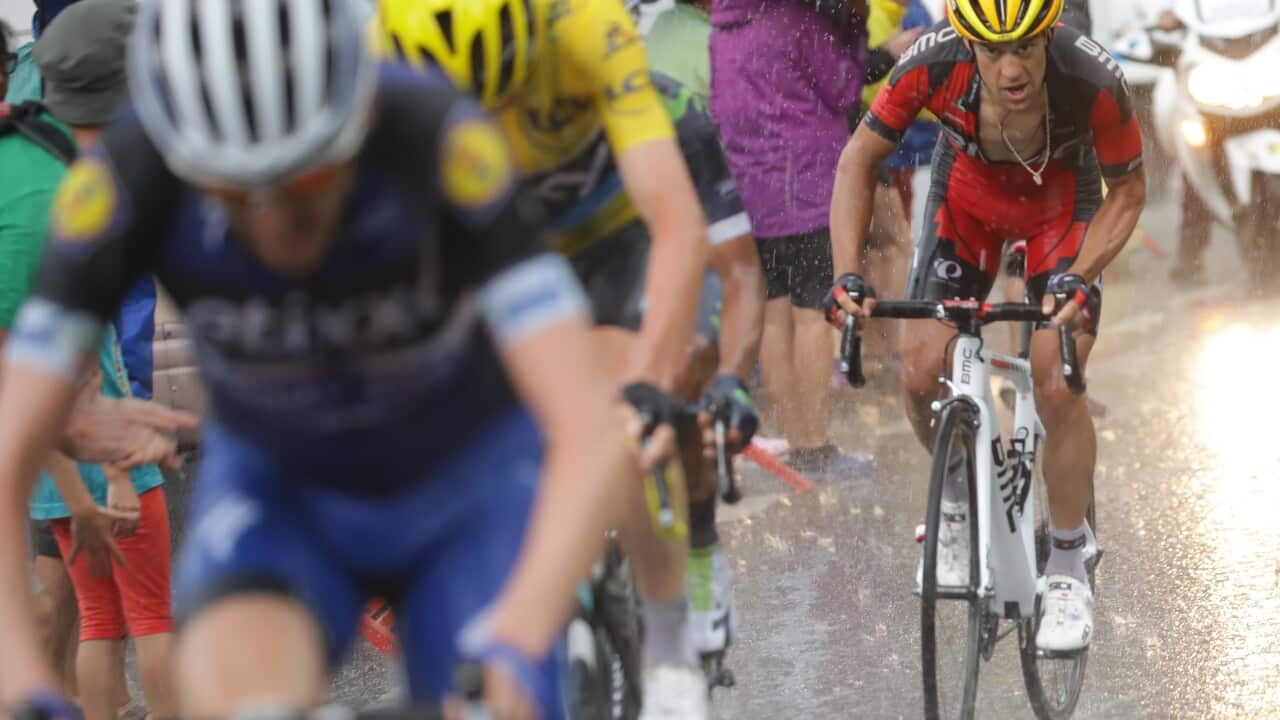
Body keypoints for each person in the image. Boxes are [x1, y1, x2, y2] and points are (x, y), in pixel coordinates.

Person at [0, 2, 634, 719]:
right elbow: (9, 446)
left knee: (500, 697)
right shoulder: (128, 177)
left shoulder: (435, 134)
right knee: (239, 702)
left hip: (464, 481)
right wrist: (21, 679)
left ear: (358, 116)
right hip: (284, 490)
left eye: (303, 184)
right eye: (233, 194)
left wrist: (518, 632)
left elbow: (587, 425)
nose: (271, 222)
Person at [379, 1, 730, 716]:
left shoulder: (590, 29)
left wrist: (648, 383)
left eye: (504, 92)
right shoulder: (374, 60)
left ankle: (668, 641)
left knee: (622, 414)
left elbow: (676, 223)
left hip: (612, 238)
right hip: (493, 255)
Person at [827, 0, 1146, 652]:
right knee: (919, 374)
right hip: (965, 203)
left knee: (1056, 380)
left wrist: (1080, 276)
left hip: (1063, 206)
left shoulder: (1091, 77)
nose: (1010, 68)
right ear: (965, 40)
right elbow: (857, 161)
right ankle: (954, 502)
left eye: (1025, 47)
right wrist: (845, 273)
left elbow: (1131, 190)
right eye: (992, 51)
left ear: (1048, 35)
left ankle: (1065, 562)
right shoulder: (931, 62)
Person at [0, 2, 178, 717]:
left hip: (54, 474)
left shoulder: (32, 163)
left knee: (98, 622)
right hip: (96, 467)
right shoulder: (53, 199)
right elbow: (54, 375)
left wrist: (71, 490)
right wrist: (112, 477)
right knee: (155, 618)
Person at [638, 0, 769, 670]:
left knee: (684, 368)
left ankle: (698, 549)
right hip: (584, 267)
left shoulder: (674, 114)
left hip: (681, 257)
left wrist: (729, 380)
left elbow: (740, 271)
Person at [709, 0, 870, 476]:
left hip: (750, 191)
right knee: (812, 317)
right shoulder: (798, 20)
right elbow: (843, 90)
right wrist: (853, 37)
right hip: (808, 184)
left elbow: (719, 104)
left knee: (775, 319)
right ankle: (815, 447)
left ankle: (797, 441)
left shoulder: (720, 28)